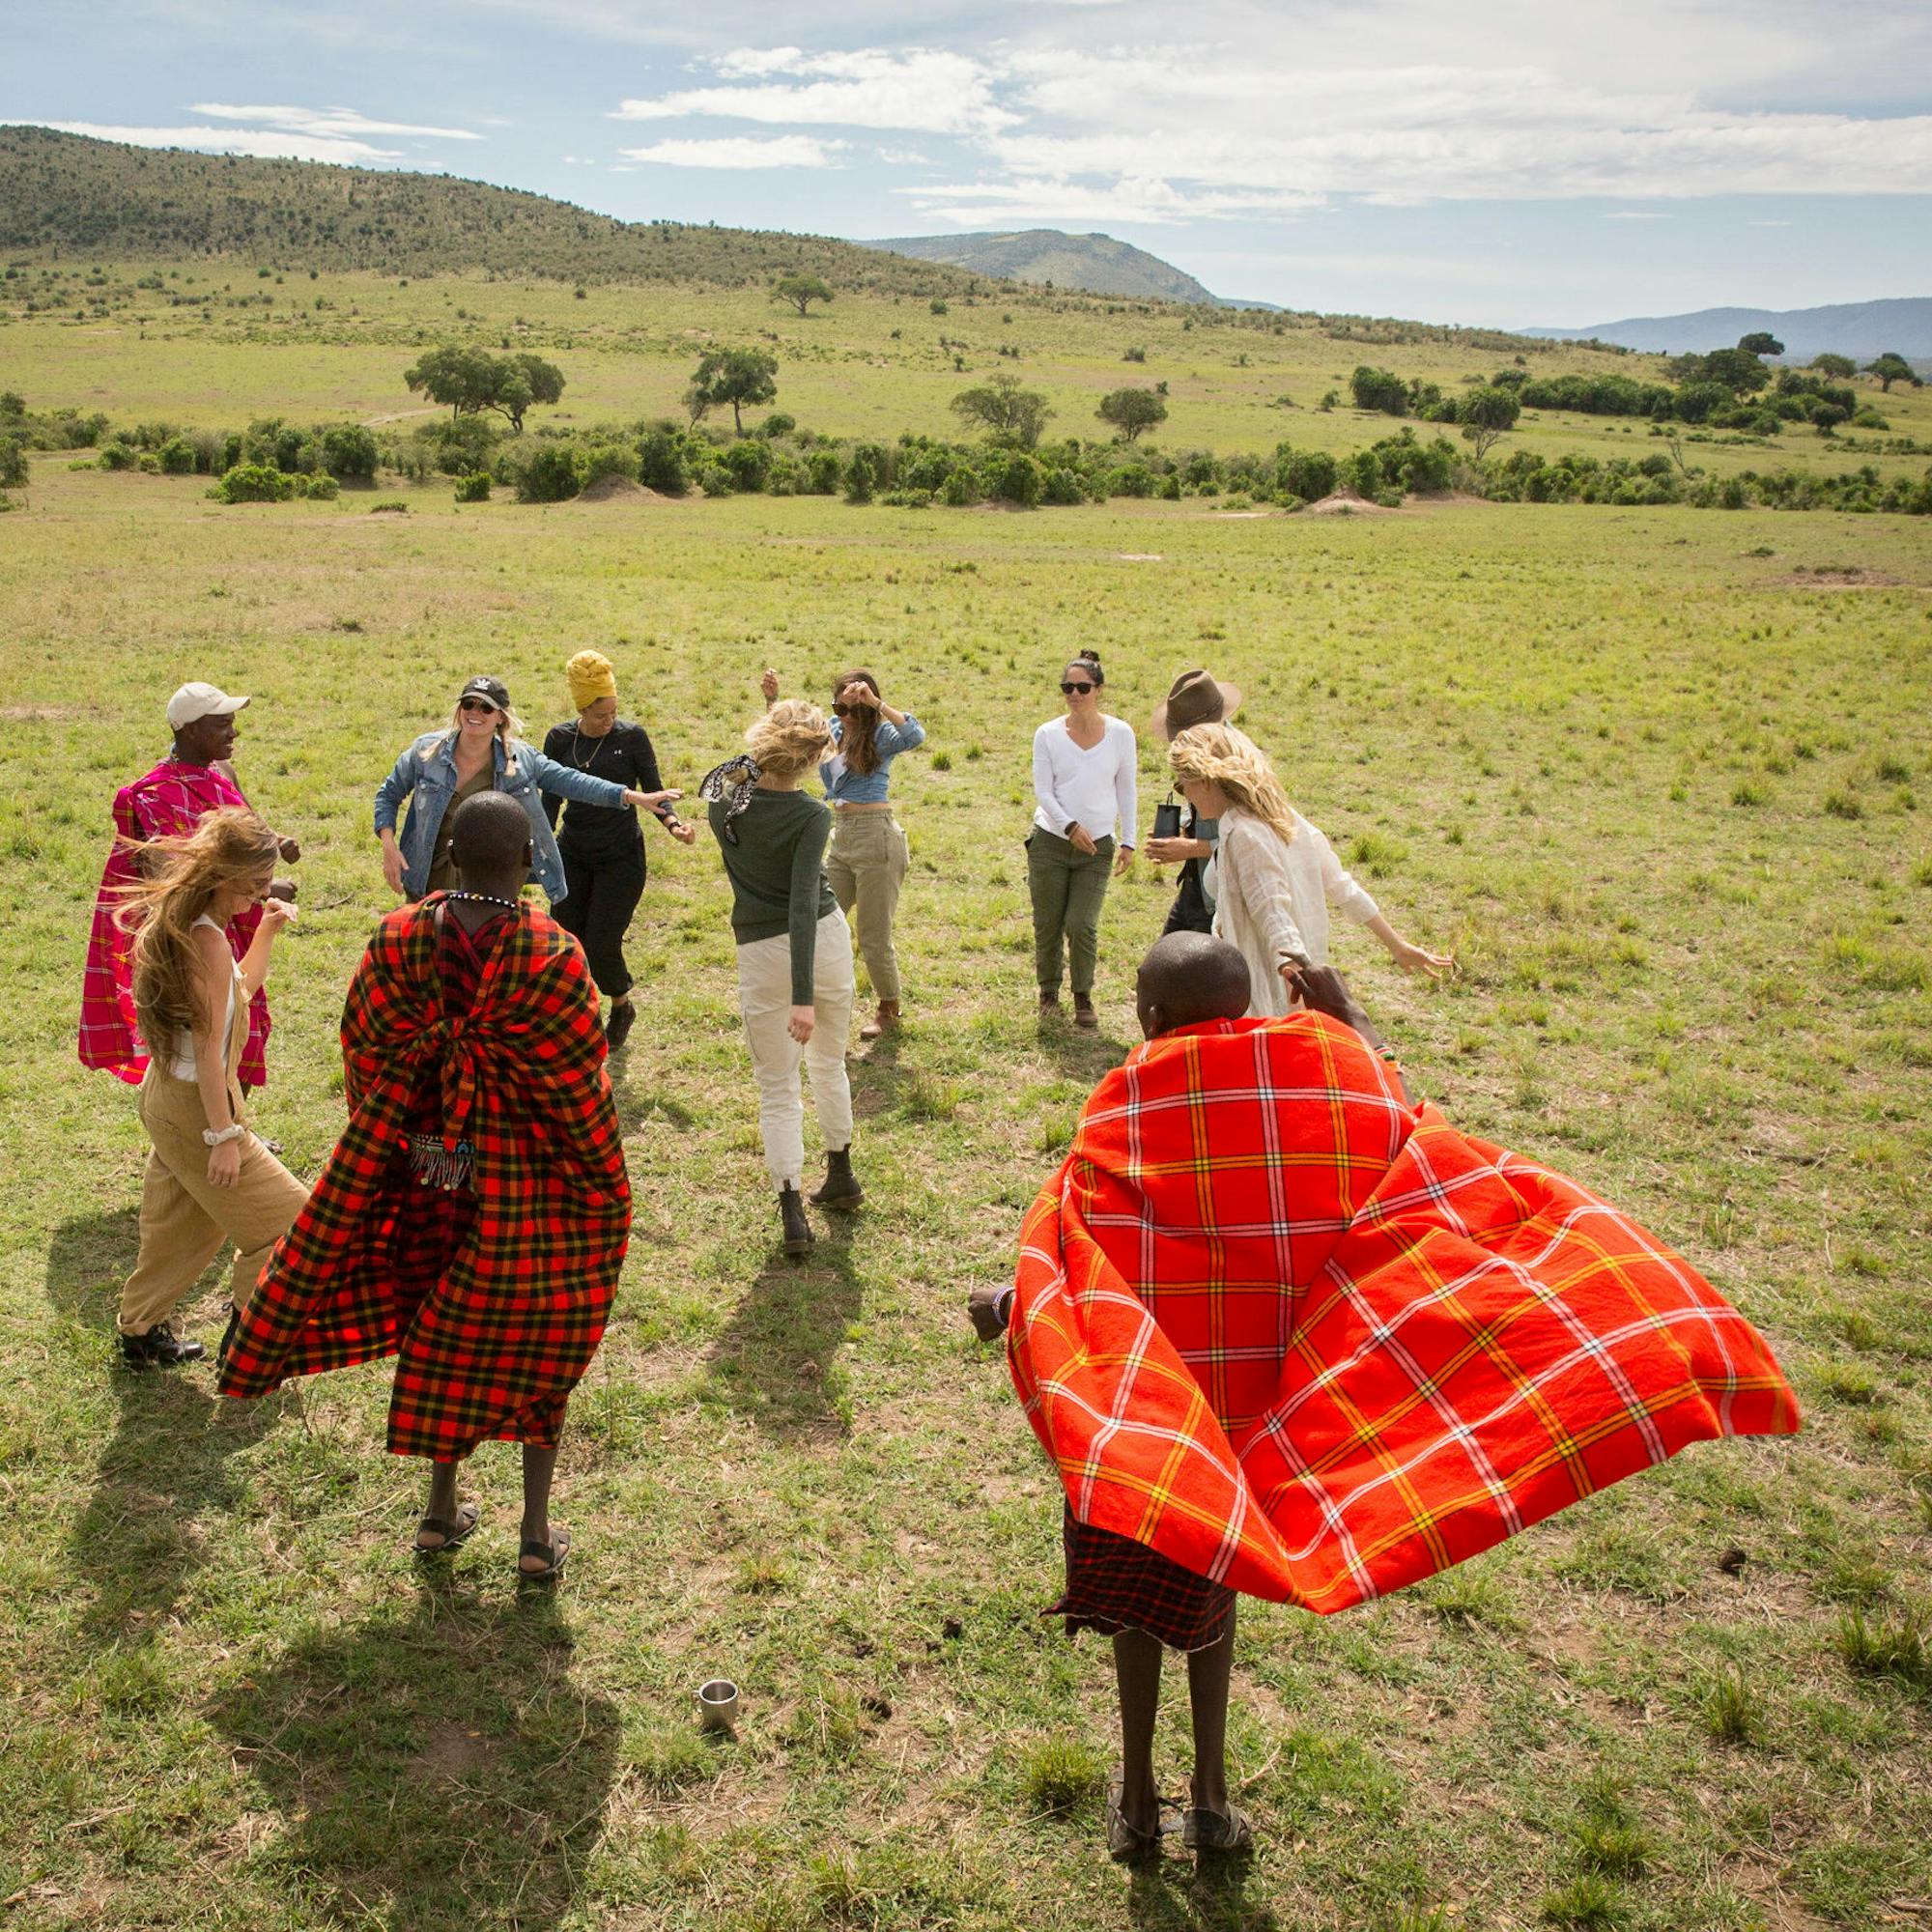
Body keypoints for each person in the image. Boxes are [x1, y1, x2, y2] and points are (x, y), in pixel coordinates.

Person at [971, 933, 1798, 1863]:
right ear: (1246, 1007)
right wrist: (1348, 1016)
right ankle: (1208, 1795)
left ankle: (1132, 1800)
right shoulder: (1330, 1072)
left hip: (1155, 1414)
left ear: (1150, 1019)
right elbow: (1407, 1130)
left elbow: (1083, 1249)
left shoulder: (1124, 1108)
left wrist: (1014, 1302)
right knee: (1214, 1592)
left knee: (1139, 1595)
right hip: (1263, 1415)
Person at [219, 794, 631, 1579]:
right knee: (538, 1340)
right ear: (526, 863)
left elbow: (363, 1047)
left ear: (449, 853)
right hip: (527, 1193)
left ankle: (441, 1515)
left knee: (434, 1324)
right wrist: (596, 1184)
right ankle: (536, 1538)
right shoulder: (551, 952)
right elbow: (581, 1085)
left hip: (421, 1180)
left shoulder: (399, 936)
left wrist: (411, 1140)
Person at [112, 809, 309, 1367]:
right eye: (253, 884)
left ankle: (140, 1332)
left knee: (182, 1229)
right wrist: (224, 1134)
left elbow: (235, 991)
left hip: (169, 1099)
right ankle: (248, 1344)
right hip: (198, 1109)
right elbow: (207, 1046)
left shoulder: (194, 928)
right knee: (290, 1224)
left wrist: (267, 928)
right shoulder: (207, 943)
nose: (259, 893)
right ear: (223, 877)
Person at [81, 681, 299, 1092]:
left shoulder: (221, 773)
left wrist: (276, 841)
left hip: (235, 923)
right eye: (223, 725)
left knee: (243, 1027)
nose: (233, 733)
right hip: (192, 936)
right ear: (190, 731)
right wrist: (262, 890)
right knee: (205, 1034)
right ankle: (204, 1132)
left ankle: (233, 1122)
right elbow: (178, 877)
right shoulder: (152, 795)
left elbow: (240, 833)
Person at [702, 697, 861, 1259]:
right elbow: (801, 906)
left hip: (762, 952)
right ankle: (841, 1172)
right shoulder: (813, 815)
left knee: (777, 1086)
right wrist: (804, 1000)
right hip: (822, 942)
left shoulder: (725, 805)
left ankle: (792, 1208)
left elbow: (720, 779)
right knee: (828, 1064)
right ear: (814, 757)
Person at [1168, 722, 1451, 1015]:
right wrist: (1397, 945)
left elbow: (1273, 912)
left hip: (1266, 993)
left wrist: (1293, 972)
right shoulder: (1282, 817)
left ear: (1205, 780)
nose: (1185, 795)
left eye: (1182, 784)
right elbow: (1342, 886)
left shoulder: (1243, 834)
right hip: (1289, 983)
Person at [374, 674, 679, 911]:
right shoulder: (426, 751)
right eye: (468, 704)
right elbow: (388, 795)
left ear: (500, 717)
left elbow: (572, 781)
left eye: (485, 707)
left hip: (489, 884)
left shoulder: (520, 761)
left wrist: (630, 796)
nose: (475, 712)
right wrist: (389, 847)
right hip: (427, 879)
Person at [542, 649, 696, 1053]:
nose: (608, 721)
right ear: (582, 708)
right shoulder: (559, 739)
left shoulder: (631, 738)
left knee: (601, 941)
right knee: (565, 939)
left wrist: (674, 824)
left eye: (612, 712)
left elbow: (654, 790)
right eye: (599, 715)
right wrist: (536, 847)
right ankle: (571, 1016)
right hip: (573, 853)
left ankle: (621, 1006)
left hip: (621, 857)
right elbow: (550, 802)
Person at [762, 665, 926, 1042]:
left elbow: (915, 734)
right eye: (842, 709)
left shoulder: (882, 734)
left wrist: (875, 703)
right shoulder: (832, 733)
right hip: (840, 838)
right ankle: (816, 999)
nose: (849, 717)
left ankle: (889, 1007)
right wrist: (772, 698)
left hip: (877, 838)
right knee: (820, 920)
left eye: (857, 710)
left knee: (873, 934)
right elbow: (786, 739)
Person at [1028, 649, 1136, 1028]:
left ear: (1099, 690)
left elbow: (1127, 789)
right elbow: (1044, 791)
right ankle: (1049, 993)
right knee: (1048, 922)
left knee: (1081, 924)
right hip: (1050, 843)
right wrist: (1070, 827)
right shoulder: (1048, 734)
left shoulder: (1121, 734)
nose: (1075, 694)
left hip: (1097, 847)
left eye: (1082, 687)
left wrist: (1129, 840)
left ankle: (1083, 996)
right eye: (1067, 687)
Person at [1143, 668, 1242, 938]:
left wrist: (1189, 848)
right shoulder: (1203, 753)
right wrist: (1181, 834)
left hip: (1223, 899)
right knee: (1159, 974)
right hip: (1195, 885)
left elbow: (1247, 843)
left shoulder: (1240, 767)